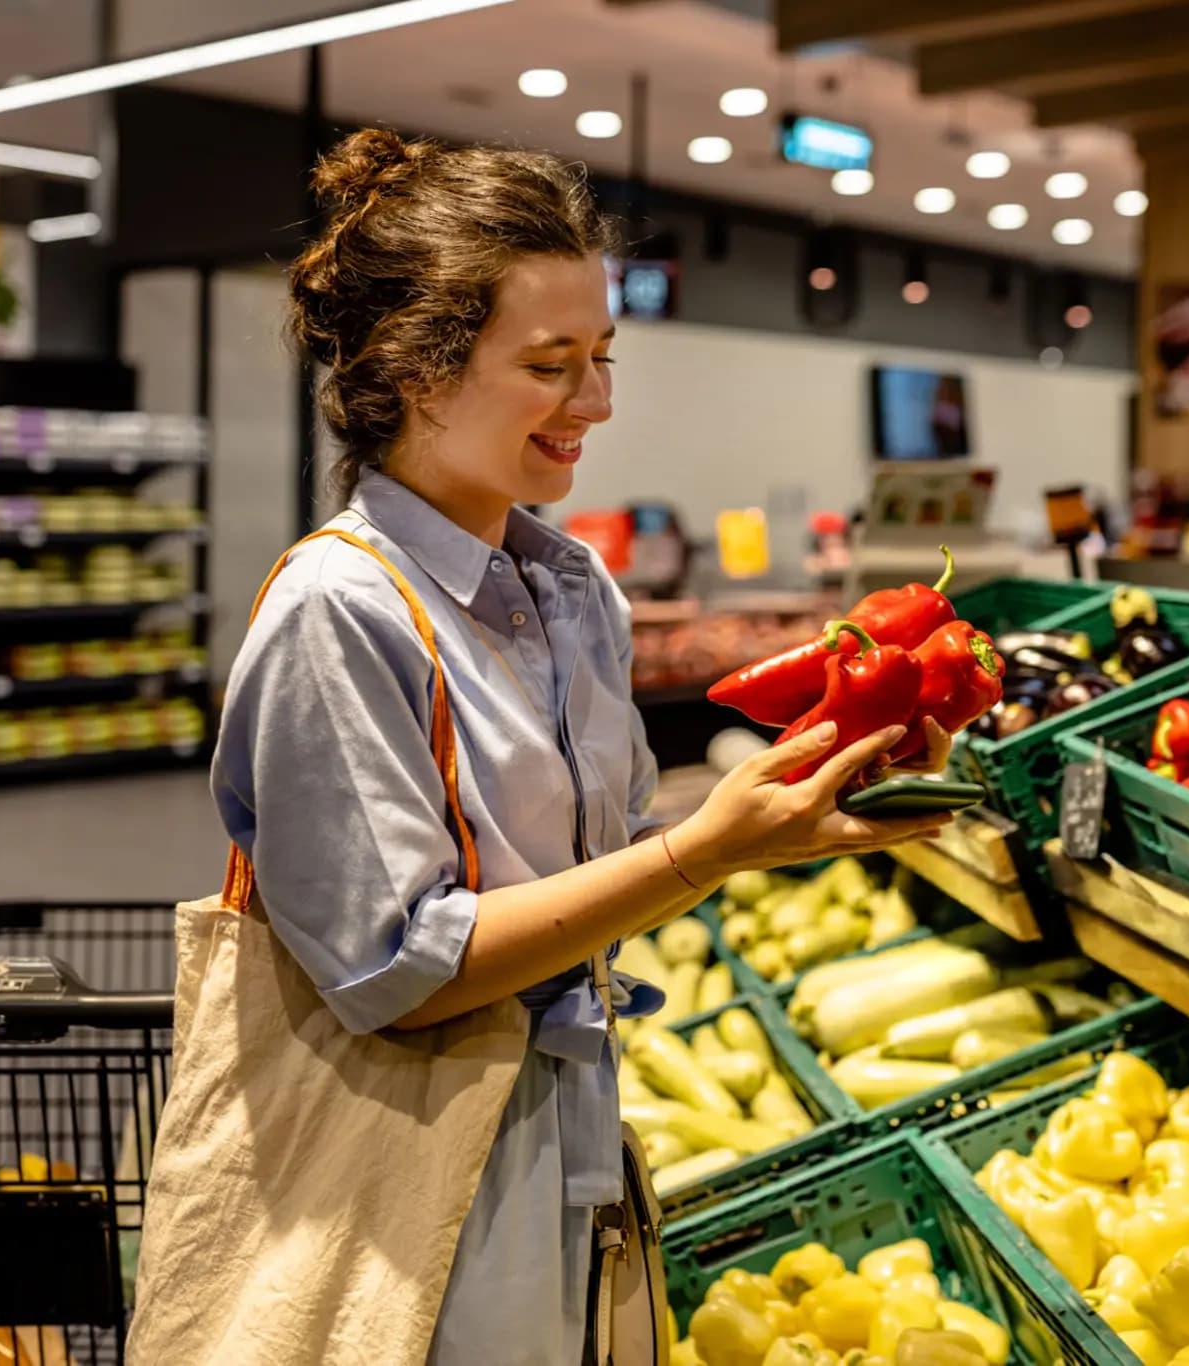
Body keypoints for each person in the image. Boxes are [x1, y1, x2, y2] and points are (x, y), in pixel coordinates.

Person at [128, 129, 953, 1366]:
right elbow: (398, 970)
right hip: (401, 1187)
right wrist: (699, 855)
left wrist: (817, 774)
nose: (597, 403)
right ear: (417, 369)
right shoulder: (338, 613)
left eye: (602, 357)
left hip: (560, 1140)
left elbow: (596, 859)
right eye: (552, 365)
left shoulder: (570, 591)